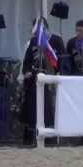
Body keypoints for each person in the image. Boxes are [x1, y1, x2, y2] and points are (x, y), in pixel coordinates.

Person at [21, 18, 66, 146]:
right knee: (31, 109)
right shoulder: (34, 41)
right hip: (34, 79)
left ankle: (50, 138)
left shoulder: (56, 40)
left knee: (48, 109)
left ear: (44, 28)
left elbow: (62, 59)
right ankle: (30, 137)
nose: (35, 31)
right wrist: (27, 71)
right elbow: (27, 60)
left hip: (50, 79)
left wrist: (59, 73)